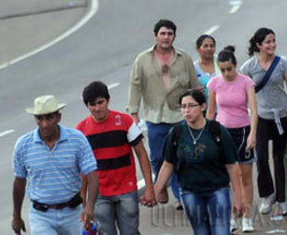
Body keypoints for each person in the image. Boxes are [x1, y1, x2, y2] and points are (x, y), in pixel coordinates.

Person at [127, 19, 198, 209]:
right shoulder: (143, 59)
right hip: (155, 116)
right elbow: (135, 85)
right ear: (155, 36)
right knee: (158, 157)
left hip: (180, 116)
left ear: (174, 36)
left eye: (170, 34)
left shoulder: (184, 58)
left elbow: (193, 87)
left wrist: (197, 111)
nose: (166, 37)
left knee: (180, 156)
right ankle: (161, 184)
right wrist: (134, 114)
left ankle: (179, 195)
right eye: (163, 33)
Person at [154, 89, 244, 235]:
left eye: (191, 106)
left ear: (203, 106)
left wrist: (239, 198)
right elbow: (167, 164)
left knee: (221, 232)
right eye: (183, 107)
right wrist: (155, 190)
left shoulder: (218, 131)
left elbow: (232, 166)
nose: (186, 110)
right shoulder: (176, 133)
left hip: (218, 189)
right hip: (190, 191)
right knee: (201, 232)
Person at [77, 82, 156, 235]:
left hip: (126, 190)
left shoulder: (125, 122)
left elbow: (141, 153)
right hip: (99, 195)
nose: (97, 108)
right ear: (87, 105)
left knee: (131, 232)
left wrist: (149, 188)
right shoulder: (81, 130)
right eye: (92, 104)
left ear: (108, 100)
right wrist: (84, 202)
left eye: (101, 102)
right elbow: (82, 169)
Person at [12, 95, 98, 235]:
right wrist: (16, 215)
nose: (44, 124)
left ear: (58, 117)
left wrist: (90, 206)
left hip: (72, 213)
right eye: (40, 118)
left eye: (49, 118)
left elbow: (92, 174)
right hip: (41, 216)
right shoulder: (23, 145)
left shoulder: (77, 140)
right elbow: (19, 181)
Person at [240, 28, 287, 217]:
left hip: (282, 117)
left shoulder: (284, 64)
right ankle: (267, 194)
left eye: (273, 41)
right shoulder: (248, 67)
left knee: (279, 158)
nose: (272, 45)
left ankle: (283, 199)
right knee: (261, 157)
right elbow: (244, 93)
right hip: (260, 118)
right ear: (259, 45)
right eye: (267, 42)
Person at [207, 47, 258, 232]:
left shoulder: (246, 82)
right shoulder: (214, 84)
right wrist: (206, 135)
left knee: (245, 176)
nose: (226, 73)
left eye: (229, 69)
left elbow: (253, 111)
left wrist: (252, 134)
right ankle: (231, 216)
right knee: (227, 178)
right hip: (222, 133)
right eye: (222, 70)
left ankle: (247, 216)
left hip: (243, 132)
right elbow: (211, 112)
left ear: (235, 65)